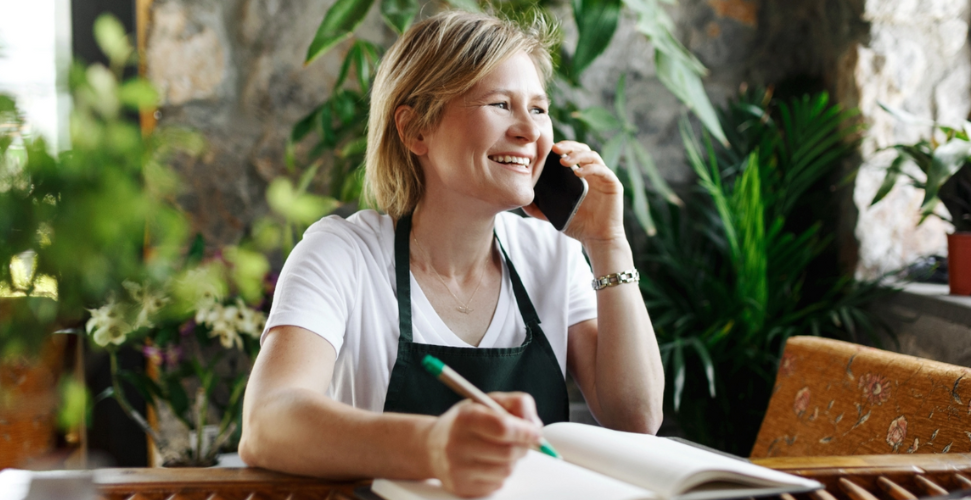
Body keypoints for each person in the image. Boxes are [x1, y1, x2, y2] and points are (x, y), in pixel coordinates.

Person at [239, 11, 664, 497]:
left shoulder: (553, 256)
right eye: (501, 104)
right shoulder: (342, 254)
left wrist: (610, 244)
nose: (530, 131)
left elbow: (636, 419)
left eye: (540, 108)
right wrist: (434, 446)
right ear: (416, 129)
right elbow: (268, 421)